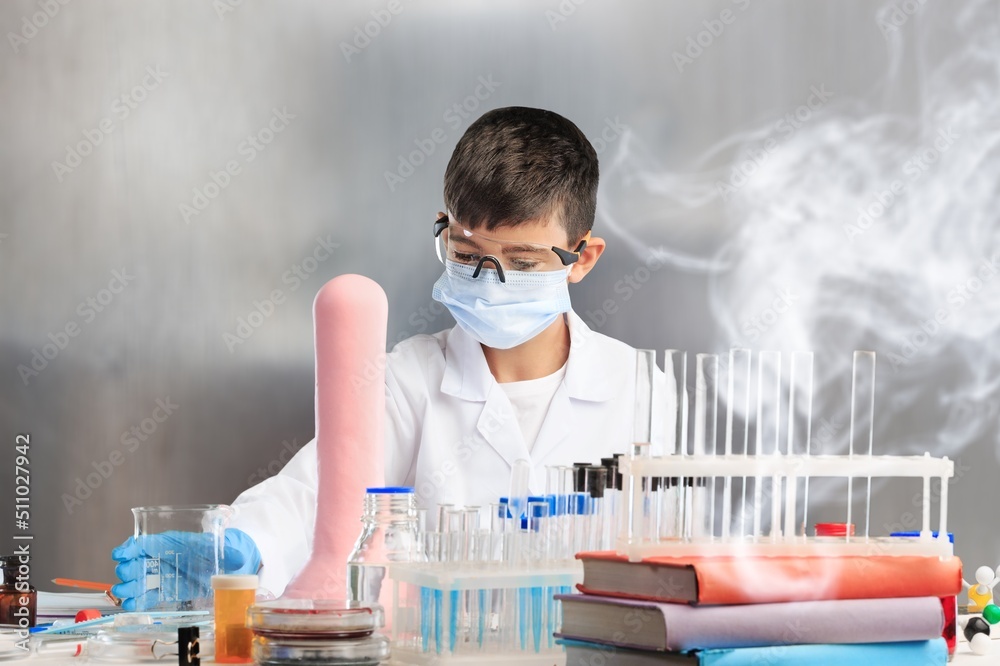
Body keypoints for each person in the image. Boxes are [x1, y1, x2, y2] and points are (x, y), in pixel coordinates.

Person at [111, 106, 662, 605]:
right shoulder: (410, 379)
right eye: (466, 254)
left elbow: (693, 554)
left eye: (521, 264)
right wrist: (243, 549)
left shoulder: (644, 391)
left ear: (583, 258)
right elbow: (318, 499)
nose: (489, 284)